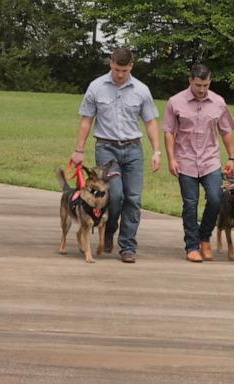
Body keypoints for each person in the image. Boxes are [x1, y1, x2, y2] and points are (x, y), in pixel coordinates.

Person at [70, 47, 161, 263]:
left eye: (124, 69)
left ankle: (128, 246)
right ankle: (109, 229)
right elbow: (86, 120)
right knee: (115, 194)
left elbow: (150, 122)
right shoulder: (96, 87)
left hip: (133, 149)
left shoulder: (141, 90)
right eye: (116, 69)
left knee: (133, 198)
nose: (120, 74)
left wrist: (156, 151)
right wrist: (79, 150)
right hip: (106, 148)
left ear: (131, 66)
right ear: (111, 63)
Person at [163, 63, 234, 262]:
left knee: (216, 198)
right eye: (198, 85)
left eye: (206, 85)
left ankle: (205, 237)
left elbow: (226, 130)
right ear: (190, 81)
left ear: (210, 81)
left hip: (210, 160)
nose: (202, 90)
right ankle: (192, 246)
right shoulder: (175, 102)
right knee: (190, 204)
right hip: (185, 160)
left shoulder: (219, 102)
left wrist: (231, 157)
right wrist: (171, 159)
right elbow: (169, 132)